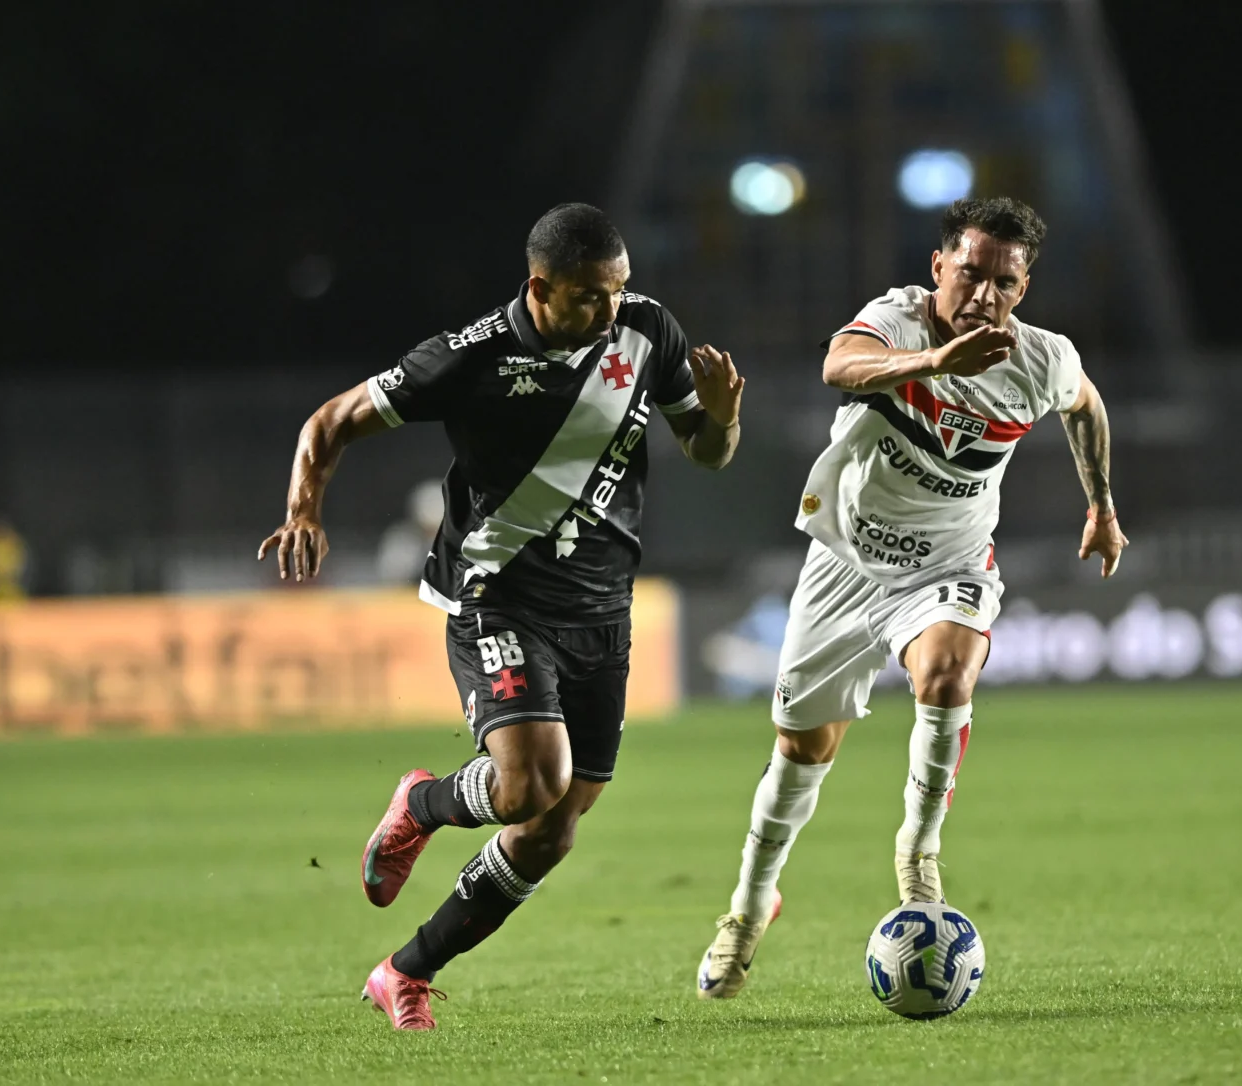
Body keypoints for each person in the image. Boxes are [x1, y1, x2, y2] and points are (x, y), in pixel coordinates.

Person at [258, 203, 744, 1030]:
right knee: (528, 785)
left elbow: (707, 449)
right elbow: (330, 421)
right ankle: (422, 805)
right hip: (498, 597)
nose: (609, 311)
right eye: (590, 297)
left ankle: (403, 972)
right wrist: (305, 507)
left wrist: (724, 415)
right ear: (540, 288)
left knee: (553, 832)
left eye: (619, 292)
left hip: (603, 608)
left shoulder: (649, 332)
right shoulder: (471, 356)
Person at [695, 196, 1127, 998]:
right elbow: (838, 366)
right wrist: (933, 365)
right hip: (845, 564)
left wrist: (1100, 504)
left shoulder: (1040, 359)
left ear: (1023, 290)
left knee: (946, 676)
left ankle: (918, 854)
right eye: (971, 273)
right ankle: (748, 912)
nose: (985, 294)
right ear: (939, 269)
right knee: (800, 752)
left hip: (948, 566)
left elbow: (1086, 405)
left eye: (1005, 281)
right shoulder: (898, 320)